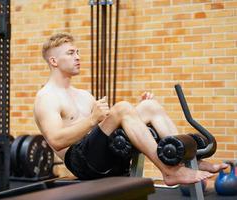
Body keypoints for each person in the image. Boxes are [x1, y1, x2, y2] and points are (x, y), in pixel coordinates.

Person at [33, 33, 227, 185]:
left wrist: (136, 111)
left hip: (99, 152)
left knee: (149, 106)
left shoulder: (84, 94)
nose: (78, 57)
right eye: (70, 53)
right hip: (80, 161)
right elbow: (56, 140)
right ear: (54, 61)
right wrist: (92, 120)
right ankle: (170, 171)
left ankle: (187, 161)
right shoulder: (46, 97)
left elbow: (109, 123)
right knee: (123, 108)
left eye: (77, 52)